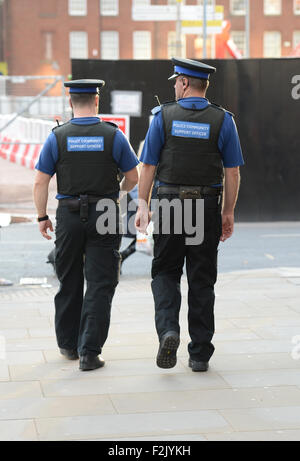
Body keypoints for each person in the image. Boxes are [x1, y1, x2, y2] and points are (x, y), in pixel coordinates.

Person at [135, 57, 244, 372]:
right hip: (206, 205)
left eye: (175, 81)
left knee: (166, 272)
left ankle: (169, 329)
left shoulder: (163, 117)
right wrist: (228, 213)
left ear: (183, 82)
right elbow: (233, 172)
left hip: (169, 205)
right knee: (201, 279)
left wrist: (142, 203)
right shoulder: (223, 121)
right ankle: (199, 354)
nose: (174, 86)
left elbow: (149, 166)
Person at [33, 79, 139, 371]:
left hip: (67, 214)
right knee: (101, 282)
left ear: (70, 103)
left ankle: (68, 345)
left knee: (69, 278)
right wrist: (116, 192)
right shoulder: (113, 135)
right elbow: (134, 177)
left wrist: (42, 216)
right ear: (97, 100)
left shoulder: (57, 137)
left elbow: (41, 180)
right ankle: (90, 352)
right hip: (104, 212)